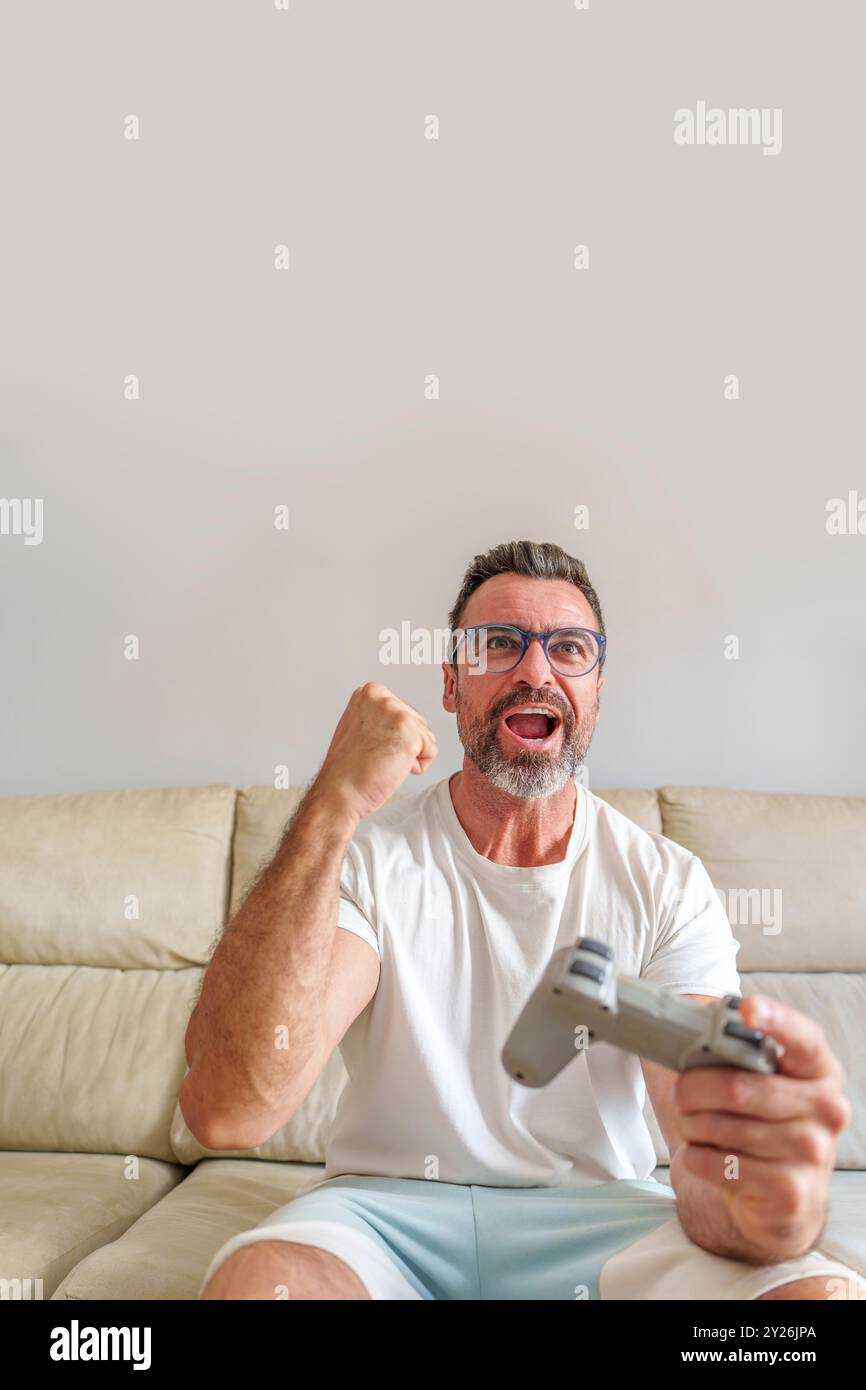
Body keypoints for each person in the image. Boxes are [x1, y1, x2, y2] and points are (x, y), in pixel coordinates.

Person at [184, 540, 865, 1300]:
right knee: (262, 1286)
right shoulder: (369, 859)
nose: (535, 672)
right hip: (385, 1217)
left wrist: (769, 1201)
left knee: (814, 1306)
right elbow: (228, 1111)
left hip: (602, 1220)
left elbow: (707, 1181)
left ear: (597, 688)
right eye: (499, 645)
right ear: (451, 684)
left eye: (568, 649)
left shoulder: (667, 885)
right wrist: (331, 805)